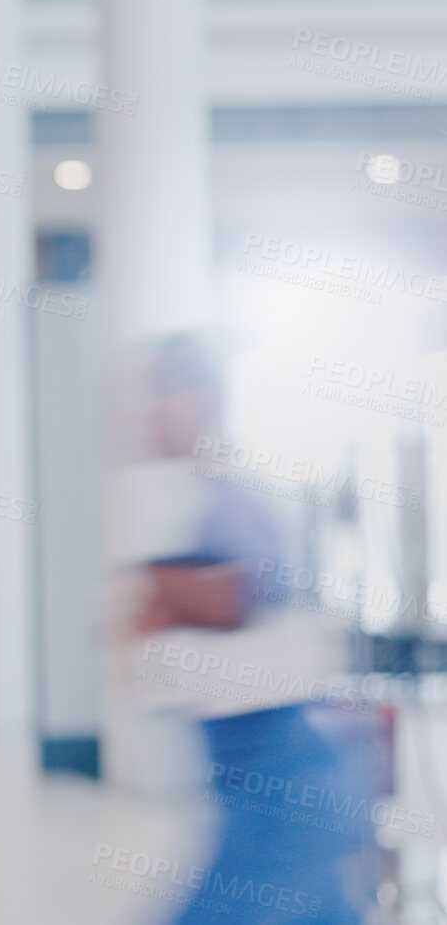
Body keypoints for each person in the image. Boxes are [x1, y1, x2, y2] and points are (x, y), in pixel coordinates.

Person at [130, 335, 368, 925]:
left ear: (204, 399)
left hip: (285, 792)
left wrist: (162, 590)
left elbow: (230, 599)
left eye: (165, 393)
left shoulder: (235, 501)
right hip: (271, 791)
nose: (150, 412)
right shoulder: (208, 499)